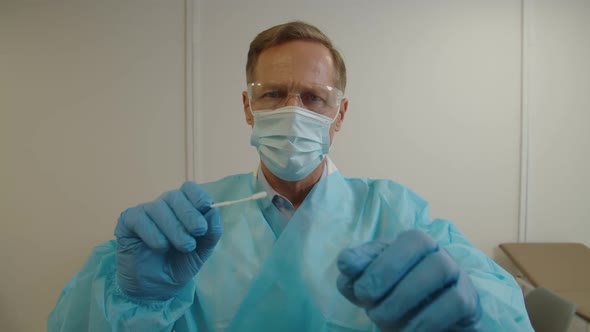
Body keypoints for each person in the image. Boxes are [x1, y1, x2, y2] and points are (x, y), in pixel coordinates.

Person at [48, 21, 533, 331]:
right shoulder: (188, 223)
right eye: (274, 93)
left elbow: (501, 309)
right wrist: (136, 303)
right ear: (247, 107)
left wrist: (474, 315)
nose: (292, 110)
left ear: (339, 115)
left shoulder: (395, 212)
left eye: (314, 98)